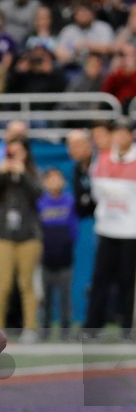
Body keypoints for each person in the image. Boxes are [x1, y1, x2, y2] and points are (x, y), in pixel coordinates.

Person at [0, 136, 43, 340]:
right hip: (4, 234)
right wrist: (1, 173)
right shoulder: (3, 174)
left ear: (26, 153)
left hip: (29, 235)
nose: (14, 156)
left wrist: (23, 173)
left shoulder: (33, 173)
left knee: (26, 283)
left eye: (18, 151)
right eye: (11, 152)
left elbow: (38, 194)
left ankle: (30, 328)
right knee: (3, 283)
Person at [85, 121, 136, 339]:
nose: (120, 138)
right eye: (117, 133)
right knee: (100, 280)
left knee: (128, 281)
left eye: (124, 133)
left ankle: (127, 327)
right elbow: (96, 193)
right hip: (106, 229)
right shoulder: (102, 158)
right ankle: (92, 328)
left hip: (130, 231)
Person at [38, 168, 78, 340]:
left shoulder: (69, 202)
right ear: (45, 182)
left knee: (65, 296)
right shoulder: (40, 203)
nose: (55, 182)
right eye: (51, 178)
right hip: (45, 258)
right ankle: (45, 329)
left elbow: (74, 229)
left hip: (64, 258)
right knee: (45, 297)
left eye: (58, 178)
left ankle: (66, 330)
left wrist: (67, 246)